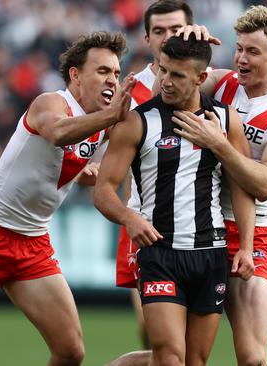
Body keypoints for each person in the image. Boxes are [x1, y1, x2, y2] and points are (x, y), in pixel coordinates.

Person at [0, 31, 135, 365]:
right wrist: (111, 117)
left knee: (70, 351)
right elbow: (58, 133)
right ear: (75, 75)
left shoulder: (102, 125)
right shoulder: (51, 102)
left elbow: (56, 166)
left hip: (33, 242)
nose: (112, 80)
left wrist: (81, 177)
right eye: (103, 71)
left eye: (116, 73)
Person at [95, 34, 255, 366]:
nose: (166, 82)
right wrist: (130, 218)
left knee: (194, 361)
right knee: (169, 358)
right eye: (163, 71)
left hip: (210, 256)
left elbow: (241, 186)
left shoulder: (226, 121)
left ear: (200, 78)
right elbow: (104, 189)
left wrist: (247, 246)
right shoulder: (138, 121)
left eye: (177, 75)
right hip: (160, 253)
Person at [165, 6, 267, 366]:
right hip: (198, 226)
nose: (241, 59)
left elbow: (265, 184)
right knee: (175, 356)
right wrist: (184, 45)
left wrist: (219, 143)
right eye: (239, 49)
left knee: (252, 359)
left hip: (254, 234)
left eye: (252, 52)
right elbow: (165, 88)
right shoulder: (223, 82)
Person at [115, 0, 194, 350]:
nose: (167, 38)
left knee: (186, 343)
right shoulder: (130, 93)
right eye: (159, 31)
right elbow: (104, 152)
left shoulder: (205, 82)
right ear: (147, 38)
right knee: (153, 335)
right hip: (144, 221)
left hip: (198, 224)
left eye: (176, 30)